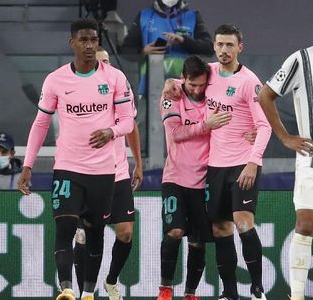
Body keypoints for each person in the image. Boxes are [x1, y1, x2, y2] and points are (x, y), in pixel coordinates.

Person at [17, 18, 135, 300]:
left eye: (94, 40)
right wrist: (27, 164)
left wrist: (111, 131)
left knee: (95, 233)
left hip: (104, 171)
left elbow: (128, 121)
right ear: (72, 43)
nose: (89, 46)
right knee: (66, 225)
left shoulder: (115, 78)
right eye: (83, 40)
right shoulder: (56, 80)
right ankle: (67, 288)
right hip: (68, 167)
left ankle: (89, 293)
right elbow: (41, 124)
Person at [164, 24, 273, 300]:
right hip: (215, 166)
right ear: (214, 46)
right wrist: (171, 84)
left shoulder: (249, 82)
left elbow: (265, 125)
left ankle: (257, 289)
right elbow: (186, 81)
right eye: (220, 45)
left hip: (242, 163)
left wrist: (253, 162)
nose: (224, 50)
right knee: (220, 227)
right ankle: (230, 293)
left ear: (240, 48)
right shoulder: (210, 72)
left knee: (243, 221)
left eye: (230, 45)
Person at [258, 5, 313, 300]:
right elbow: (265, 95)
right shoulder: (302, 59)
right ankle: (296, 295)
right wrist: (285, 137)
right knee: (306, 224)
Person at [158, 56, 232, 300]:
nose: (198, 90)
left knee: (199, 241)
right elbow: (177, 133)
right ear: (183, 79)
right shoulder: (172, 96)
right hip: (175, 178)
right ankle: (165, 289)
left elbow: (223, 68)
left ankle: (190, 293)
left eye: (201, 85)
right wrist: (206, 125)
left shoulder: (213, 95)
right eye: (192, 85)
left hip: (205, 179)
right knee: (175, 231)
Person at [73, 46, 144, 300]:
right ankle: (84, 293)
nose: (102, 66)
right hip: (88, 175)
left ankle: (111, 281)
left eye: (106, 61)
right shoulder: (80, 94)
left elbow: (131, 126)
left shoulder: (119, 90)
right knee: (84, 235)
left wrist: (137, 160)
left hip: (118, 173)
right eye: (98, 61)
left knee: (125, 233)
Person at [121, 0, 214, 94]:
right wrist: (143, 51)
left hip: (186, 89)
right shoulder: (144, 16)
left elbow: (209, 48)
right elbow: (126, 50)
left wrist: (184, 41)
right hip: (150, 89)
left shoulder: (192, 16)